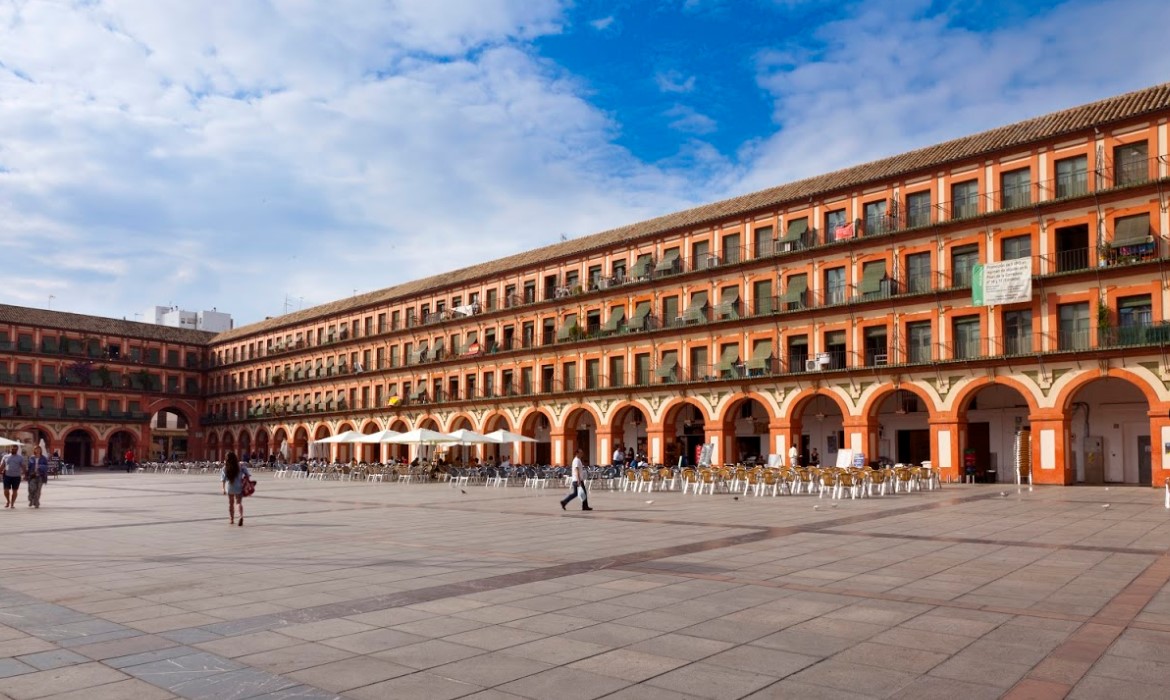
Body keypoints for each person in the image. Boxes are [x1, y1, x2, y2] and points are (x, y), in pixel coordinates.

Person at [220, 451, 251, 526]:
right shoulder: (240, 466)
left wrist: (223, 489)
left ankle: (231, 519)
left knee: (231, 503)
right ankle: (241, 516)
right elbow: (248, 474)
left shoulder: (225, 468)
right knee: (238, 503)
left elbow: (223, 480)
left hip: (230, 487)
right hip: (239, 486)